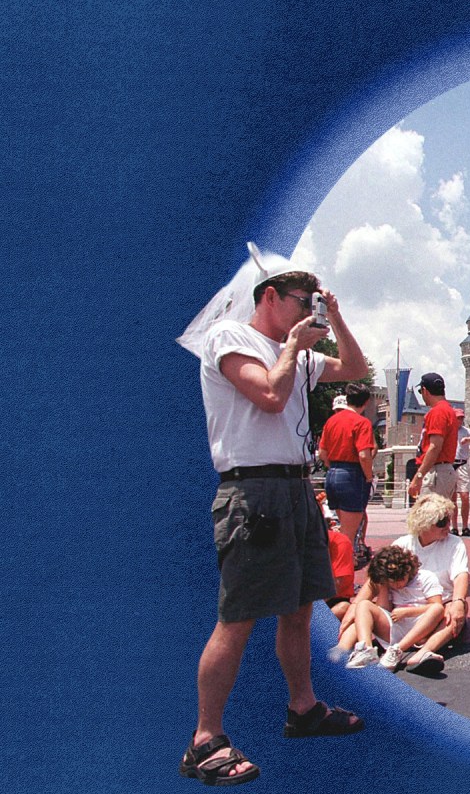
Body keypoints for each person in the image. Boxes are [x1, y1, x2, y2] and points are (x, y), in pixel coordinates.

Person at [175, 244, 366, 786]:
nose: (309, 311)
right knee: (238, 617)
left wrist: (336, 319)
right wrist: (294, 348)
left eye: (314, 302)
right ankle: (205, 739)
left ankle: (303, 708)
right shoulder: (230, 338)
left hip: (297, 488)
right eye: (303, 301)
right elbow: (269, 396)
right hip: (253, 491)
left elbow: (354, 368)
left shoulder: (298, 352)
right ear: (269, 297)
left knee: (301, 609)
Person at [331, 545, 446, 676]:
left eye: (400, 580)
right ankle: (364, 650)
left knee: (437, 609)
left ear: (408, 570)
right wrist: (384, 586)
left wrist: (407, 612)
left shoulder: (425, 577)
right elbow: (382, 610)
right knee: (363, 605)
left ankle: (397, 650)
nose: (397, 585)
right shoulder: (389, 585)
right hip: (396, 627)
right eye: (392, 582)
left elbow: (436, 605)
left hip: (421, 626)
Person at [391, 493, 470, 658]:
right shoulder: (402, 544)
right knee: (365, 608)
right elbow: (379, 575)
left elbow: (461, 574)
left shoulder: (454, 543)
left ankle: (423, 653)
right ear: (424, 523)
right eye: (442, 522)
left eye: (449, 520)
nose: (448, 525)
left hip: (440, 606)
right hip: (406, 607)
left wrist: (458, 601)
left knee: (457, 609)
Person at [318, 383, 377, 564]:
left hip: (333, 473)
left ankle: (338, 569)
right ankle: (343, 574)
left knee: (341, 528)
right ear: (365, 402)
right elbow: (363, 455)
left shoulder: (332, 421)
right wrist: (368, 476)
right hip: (352, 475)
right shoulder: (361, 423)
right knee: (348, 536)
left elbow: (322, 453)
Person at [408, 372, 457, 500]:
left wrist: (418, 476)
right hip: (442, 470)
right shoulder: (448, 409)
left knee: (429, 511)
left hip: (436, 471)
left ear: (425, 390)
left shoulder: (438, 411)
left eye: (420, 391)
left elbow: (435, 447)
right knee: (440, 511)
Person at [324, 518, 355, 621]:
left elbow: (337, 584)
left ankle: (316, 626)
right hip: (301, 599)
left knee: (343, 608)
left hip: (332, 598)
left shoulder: (339, 541)